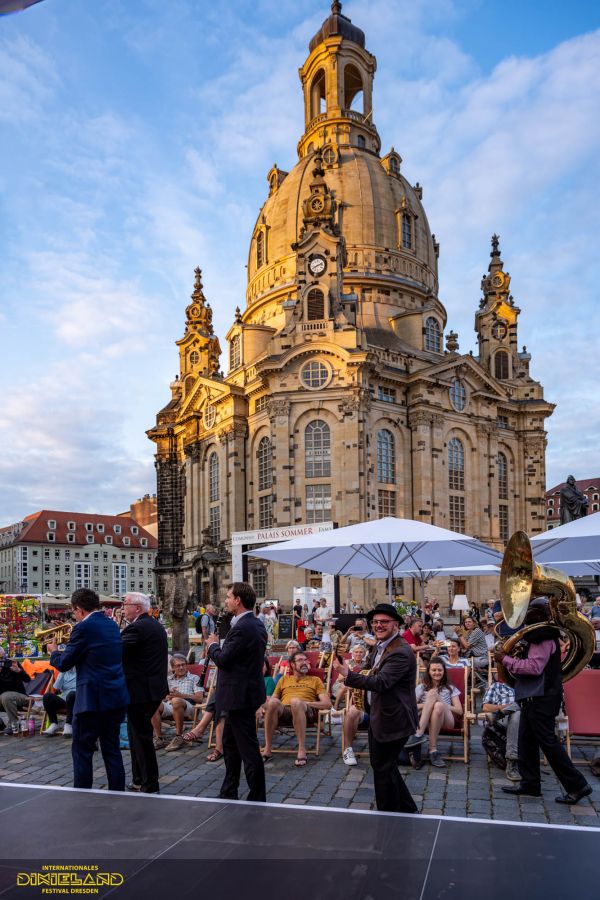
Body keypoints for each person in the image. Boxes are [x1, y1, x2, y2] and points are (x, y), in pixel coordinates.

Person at [497, 602, 592, 804]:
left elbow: (533, 668)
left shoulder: (542, 637)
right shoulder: (539, 636)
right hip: (536, 696)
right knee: (526, 741)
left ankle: (577, 785)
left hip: (542, 697)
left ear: (536, 615)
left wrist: (505, 660)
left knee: (548, 743)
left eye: (528, 612)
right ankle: (530, 784)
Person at [333, 603, 420, 814]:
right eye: (375, 622)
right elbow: (371, 671)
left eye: (384, 622)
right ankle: (408, 810)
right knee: (386, 766)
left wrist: (347, 674)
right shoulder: (381, 647)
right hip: (379, 716)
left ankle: (388, 816)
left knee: (381, 767)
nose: (379, 625)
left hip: (393, 719)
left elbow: (381, 682)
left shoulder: (400, 651)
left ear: (396, 625)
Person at [48, 588, 128, 791]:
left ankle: (82, 794)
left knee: (82, 750)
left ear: (78, 609)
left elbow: (65, 663)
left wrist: (54, 652)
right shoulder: (111, 624)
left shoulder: (83, 628)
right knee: (111, 749)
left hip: (92, 700)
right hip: (115, 696)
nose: (74, 616)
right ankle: (118, 792)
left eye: (74, 612)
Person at [204, 581, 267, 802]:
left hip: (239, 696)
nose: (227, 601)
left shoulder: (243, 626)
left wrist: (212, 645)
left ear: (238, 600)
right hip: (239, 694)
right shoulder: (253, 623)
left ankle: (257, 796)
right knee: (230, 745)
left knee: (248, 749)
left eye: (229, 597)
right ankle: (229, 790)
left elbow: (224, 659)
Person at [120, 592, 169, 793]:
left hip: (140, 690)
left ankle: (149, 782)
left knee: (140, 737)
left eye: (125, 604)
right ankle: (139, 779)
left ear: (137, 608)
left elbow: (116, 648)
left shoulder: (138, 627)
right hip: (152, 689)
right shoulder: (154, 625)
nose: (123, 608)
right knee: (136, 735)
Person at [261, 650, 331, 767]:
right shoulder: (283, 679)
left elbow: (327, 704)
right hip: (285, 711)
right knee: (272, 702)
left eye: (305, 660)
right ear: (292, 665)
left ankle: (301, 749)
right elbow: (273, 700)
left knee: (295, 702)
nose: (304, 663)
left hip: (306, 711)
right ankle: (267, 748)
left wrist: (306, 703)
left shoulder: (315, 680)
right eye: (300, 660)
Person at [411, 657, 462, 768]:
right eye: (434, 670)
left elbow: (459, 711)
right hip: (427, 718)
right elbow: (411, 707)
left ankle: (418, 733)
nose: (437, 673)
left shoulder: (450, 688)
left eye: (440, 670)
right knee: (436, 705)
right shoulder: (421, 687)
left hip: (447, 720)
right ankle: (433, 750)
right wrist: (430, 704)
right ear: (429, 672)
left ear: (444, 672)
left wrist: (440, 701)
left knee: (436, 699)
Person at [152, 654, 204, 752]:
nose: (181, 668)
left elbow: (199, 698)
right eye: (178, 666)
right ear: (172, 668)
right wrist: (166, 696)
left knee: (176, 701)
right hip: (169, 705)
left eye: (183, 665)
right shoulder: (168, 680)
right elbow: (162, 697)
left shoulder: (194, 678)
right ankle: (159, 739)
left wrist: (180, 695)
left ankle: (178, 736)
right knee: (153, 704)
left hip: (189, 707)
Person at [482, 679, 520, 781]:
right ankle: (512, 761)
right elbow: (486, 707)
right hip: (502, 722)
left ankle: (512, 761)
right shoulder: (497, 686)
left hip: (524, 721)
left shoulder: (525, 685)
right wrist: (509, 708)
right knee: (518, 709)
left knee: (518, 712)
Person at [0, 650, 32, 734]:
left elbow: (27, 679)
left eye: (2, 658)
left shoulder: (12, 664)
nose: (1, 661)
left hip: (21, 697)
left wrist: (18, 671)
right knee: (4, 696)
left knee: (6, 696)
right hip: (4, 700)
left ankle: (14, 724)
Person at [42, 667, 77, 737]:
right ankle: (54, 724)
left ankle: (68, 724)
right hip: (64, 700)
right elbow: (57, 687)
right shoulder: (64, 673)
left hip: (76, 699)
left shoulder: (81, 671)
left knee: (71, 694)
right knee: (47, 696)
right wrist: (62, 671)